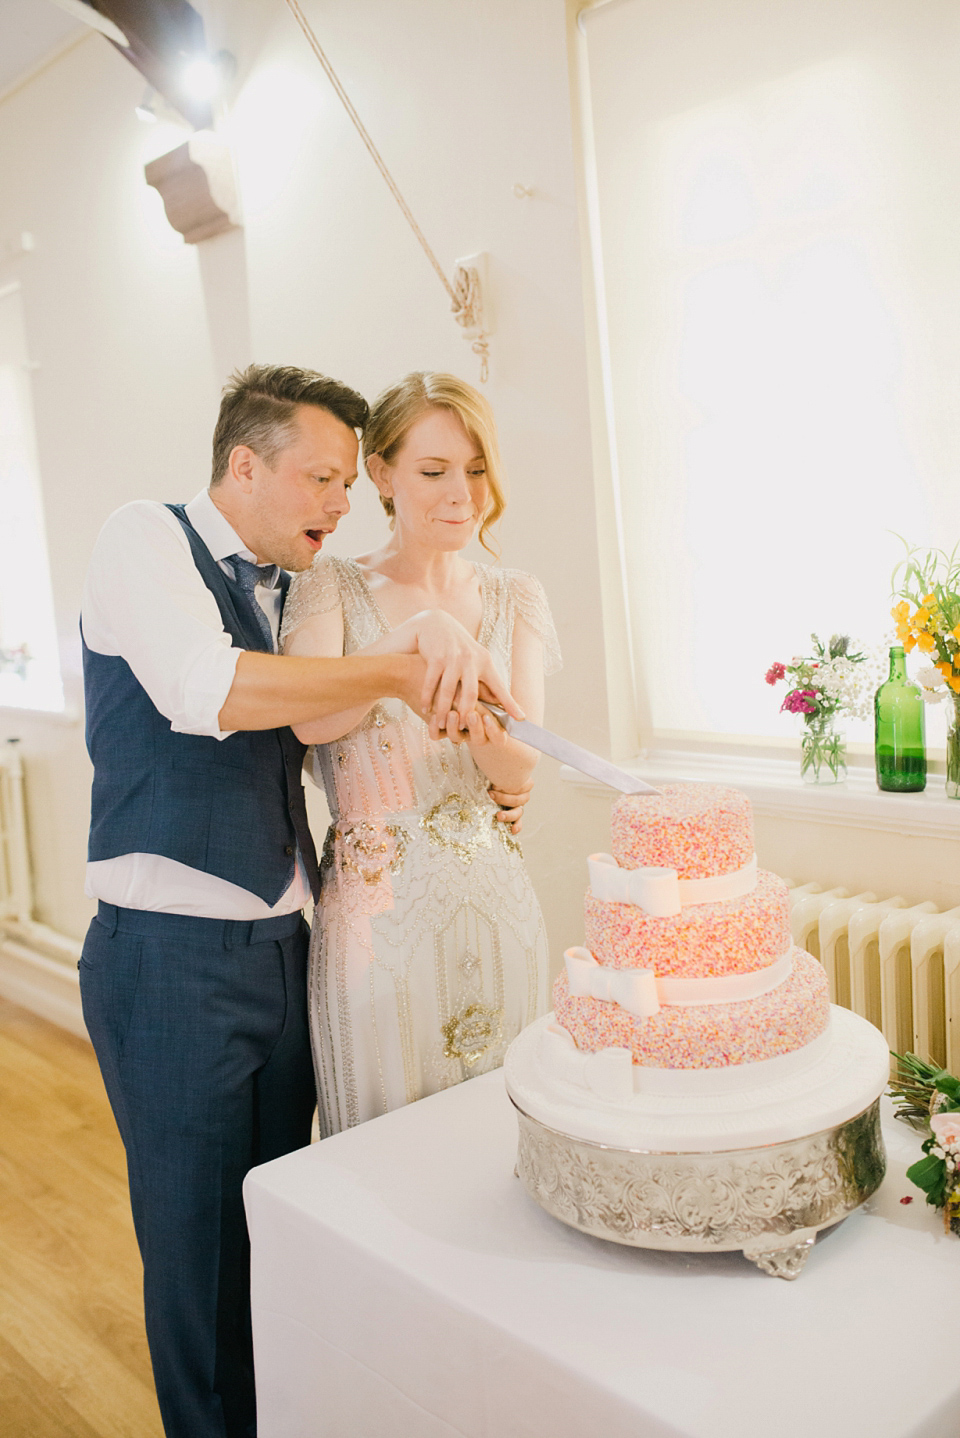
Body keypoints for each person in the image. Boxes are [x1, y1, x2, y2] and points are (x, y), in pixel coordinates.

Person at [78, 364, 525, 1438]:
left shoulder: (297, 585)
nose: (338, 502)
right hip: (170, 958)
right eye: (322, 478)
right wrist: (398, 663)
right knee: (199, 1258)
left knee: (284, 1230)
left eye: (343, 482)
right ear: (244, 462)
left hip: (293, 945)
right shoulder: (143, 537)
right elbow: (211, 688)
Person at [280, 371, 560, 1136]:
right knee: (382, 1140)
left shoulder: (515, 596)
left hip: (497, 900)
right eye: (434, 472)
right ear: (382, 475)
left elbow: (523, 766)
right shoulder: (329, 585)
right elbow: (311, 720)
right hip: (377, 914)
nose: (460, 494)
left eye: (474, 471)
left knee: (501, 1139)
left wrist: (486, 735)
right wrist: (404, 653)